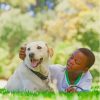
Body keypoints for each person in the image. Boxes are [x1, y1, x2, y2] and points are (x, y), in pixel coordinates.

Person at [19, 46, 95, 92]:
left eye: (76, 62)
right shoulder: (57, 70)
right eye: (71, 57)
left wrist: (76, 93)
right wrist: (26, 59)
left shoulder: (87, 77)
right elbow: (38, 68)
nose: (71, 61)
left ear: (85, 69)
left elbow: (84, 92)